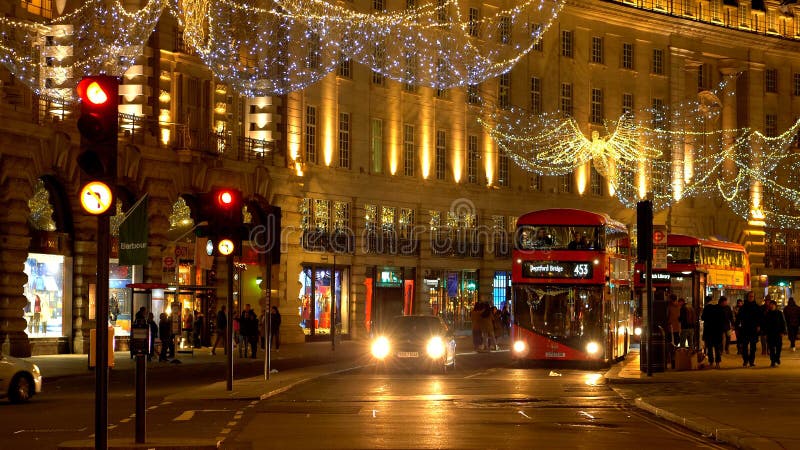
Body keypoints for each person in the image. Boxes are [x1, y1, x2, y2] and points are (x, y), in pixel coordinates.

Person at [736, 291, 762, 367]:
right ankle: (745, 360)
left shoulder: (757, 307)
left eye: (752, 296)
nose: (751, 298)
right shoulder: (743, 307)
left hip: (753, 329)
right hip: (745, 329)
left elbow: (760, 318)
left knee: (753, 347)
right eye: (750, 296)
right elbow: (739, 317)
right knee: (744, 346)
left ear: (754, 297)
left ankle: (751, 361)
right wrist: (737, 326)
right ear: (747, 297)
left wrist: (759, 326)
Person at [701, 296, 726, 368]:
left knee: (709, 347)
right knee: (717, 348)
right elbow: (723, 319)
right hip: (717, 331)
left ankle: (711, 362)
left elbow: (703, 317)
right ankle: (717, 363)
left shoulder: (707, 308)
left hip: (709, 331)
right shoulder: (720, 309)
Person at [763, 299, 787, 367]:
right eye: (770, 305)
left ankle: (777, 358)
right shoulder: (767, 314)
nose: (771, 306)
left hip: (778, 333)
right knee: (771, 348)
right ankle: (773, 361)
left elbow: (783, 322)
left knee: (778, 347)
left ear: (775, 306)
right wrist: (764, 333)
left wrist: (783, 331)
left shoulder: (779, 313)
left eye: (773, 305)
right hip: (770, 334)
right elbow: (765, 324)